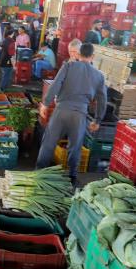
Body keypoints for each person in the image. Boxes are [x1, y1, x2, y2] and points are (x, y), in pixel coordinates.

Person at [35, 42, 107, 185]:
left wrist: (46, 103)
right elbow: (102, 100)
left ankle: (38, 174)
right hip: (79, 115)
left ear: (79, 55)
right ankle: (72, 177)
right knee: (75, 147)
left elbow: (55, 85)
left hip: (61, 111)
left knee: (48, 143)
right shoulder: (99, 76)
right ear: (93, 56)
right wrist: (97, 120)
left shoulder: (68, 66)